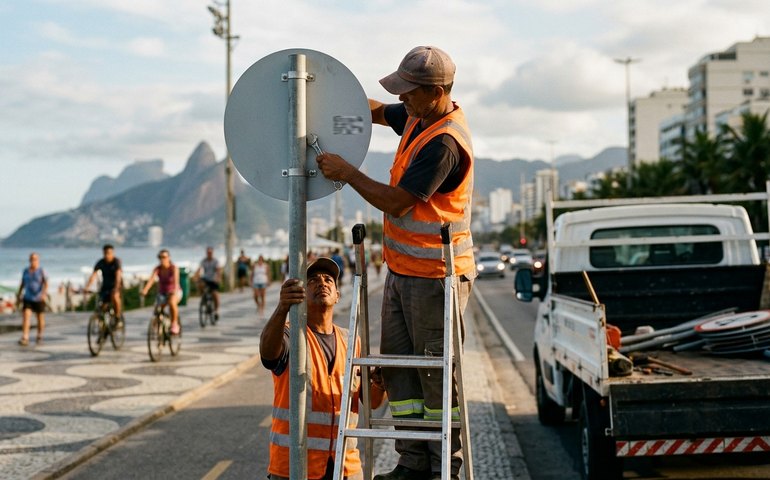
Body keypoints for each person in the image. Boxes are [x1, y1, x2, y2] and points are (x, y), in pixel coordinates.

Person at [316, 46, 475, 480]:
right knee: (398, 367)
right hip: (403, 272)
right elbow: (372, 112)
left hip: (437, 278)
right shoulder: (417, 118)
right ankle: (411, 462)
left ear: (436, 92)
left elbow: (398, 202)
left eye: (408, 92)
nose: (401, 99)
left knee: (434, 375)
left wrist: (347, 172)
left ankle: (445, 466)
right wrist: (323, 99)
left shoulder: (443, 144)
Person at [260, 257, 385, 480]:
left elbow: (372, 401)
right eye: (313, 280)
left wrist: (380, 383)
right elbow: (268, 354)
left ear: (337, 295)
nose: (322, 282)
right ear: (302, 293)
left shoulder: (351, 342)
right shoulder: (290, 334)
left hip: (345, 466)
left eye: (328, 279)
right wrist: (282, 308)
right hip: (294, 467)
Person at [141, 249, 181, 335]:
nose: (162, 259)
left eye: (164, 257)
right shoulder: (157, 269)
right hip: (163, 292)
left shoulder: (173, 268)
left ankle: (174, 324)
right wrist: (145, 290)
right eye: (160, 257)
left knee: (172, 303)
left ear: (168, 258)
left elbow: (176, 282)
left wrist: (174, 291)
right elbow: (151, 280)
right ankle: (158, 326)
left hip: (174, 291)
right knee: (157, 309)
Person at [84, 244, 124, 325]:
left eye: (109, 253)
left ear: (113, 253)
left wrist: (116, 288)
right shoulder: (101, 262)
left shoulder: (116, 262)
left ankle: (117, 317)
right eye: (105, 253)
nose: (107, 255)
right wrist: (87, 287)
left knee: (115, 297)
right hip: (105, 287)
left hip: (115, 286)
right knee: (102, 306)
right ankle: (104, 327)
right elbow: (93, 275)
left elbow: (118, 276)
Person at [16, 252, 48, 346]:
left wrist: (43, 294)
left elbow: (46, 283)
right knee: (26, 316)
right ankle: (25, 337)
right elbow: (22, 283)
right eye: (31, 259)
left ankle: (39, 335)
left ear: (38, 260)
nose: (33, 261)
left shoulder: (42, 270)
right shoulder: (25, 271)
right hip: (28, 297)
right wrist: (19, 294)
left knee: (40, 319)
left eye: (35, 259)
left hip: (38, 298)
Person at [194, 246, 222, 320]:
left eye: (210, 253)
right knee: (200, 284)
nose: (209, 254)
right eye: (208, 253)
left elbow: (218, 271)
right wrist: (196, 276)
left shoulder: (215, 261)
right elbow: (199, 269)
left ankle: (216, 311)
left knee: (215, 294)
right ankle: (203, 298)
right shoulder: (204, 261)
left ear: (212, 253)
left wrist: (218, 278)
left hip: (213, 279)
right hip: (206, 278)